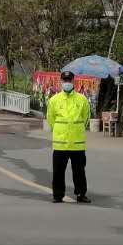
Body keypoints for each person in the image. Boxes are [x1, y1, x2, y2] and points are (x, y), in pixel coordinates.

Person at [46, 69, 92, 204]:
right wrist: (60, 130)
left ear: (73, 81)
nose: (67, 82)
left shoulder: (82, 99)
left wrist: (76, 129)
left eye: (69, 80)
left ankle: (81, 194)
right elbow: (50, 118)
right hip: (60, 143)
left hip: (77, 143)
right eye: (65, 80)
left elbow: (86, 118)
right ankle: (58, 195)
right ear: (61, 82)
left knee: (79, 171)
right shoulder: (54, 100)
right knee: (58, 171)